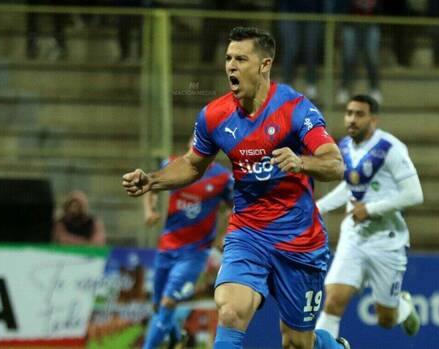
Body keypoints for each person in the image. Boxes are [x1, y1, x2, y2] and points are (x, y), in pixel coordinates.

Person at [123, 26, 351, 349]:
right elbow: (192, 164)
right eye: (228, 58)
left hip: (299, 239)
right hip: (249, 233)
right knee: (230, 312)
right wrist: (153, 181)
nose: (231, 65)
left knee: (297, 343)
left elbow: (335, 163)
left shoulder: (296, 108)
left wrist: (301, 162)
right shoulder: (214, 116)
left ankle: (333, 346)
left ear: (264, 65)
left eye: (241, 59)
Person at [314, 95, 423, 340]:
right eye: (349, 113)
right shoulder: (343, 147)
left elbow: (414, 194)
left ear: (373, 120)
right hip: (354, 236)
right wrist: (316, 208)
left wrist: (371, 209)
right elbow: (349, 188)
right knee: (333, 301)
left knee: (385, 319)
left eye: (359, 114)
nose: (352, 119)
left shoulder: (390, 148)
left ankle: (402, 307)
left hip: (386, 240)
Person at [140, 143, 234, 349]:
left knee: (168, 302)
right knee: (157, 305)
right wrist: (150, 210)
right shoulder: (173, 164)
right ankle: (176, 336)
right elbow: (151, 183)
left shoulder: (223, 178)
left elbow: (238, 207)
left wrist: (228, 234)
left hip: (195, 252)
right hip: (167, 246)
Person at [327, 0, 383, 105]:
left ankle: (374, 88)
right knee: (348, 57)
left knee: (372, 57)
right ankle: (344, 88)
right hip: (350, 21)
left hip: (372, 21)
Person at [276, 0, 324, 99]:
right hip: (289, 11)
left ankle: (311, 85)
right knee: (291, 49)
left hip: (313, 12)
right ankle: (287, 86)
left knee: (311, 51)